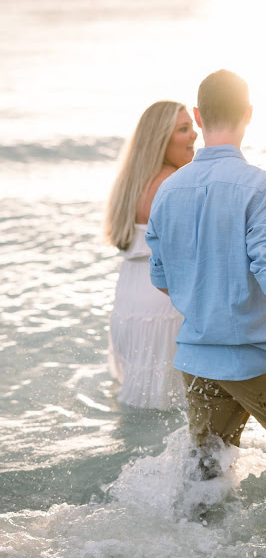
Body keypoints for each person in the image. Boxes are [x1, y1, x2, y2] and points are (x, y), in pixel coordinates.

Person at [146, 70, 266, 495]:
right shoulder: (259, 187)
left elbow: (162, 279)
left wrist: (205, 309)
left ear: (198, 116)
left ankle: (194, 552)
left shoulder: (169, 190)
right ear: (249, 114)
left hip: (196, 358)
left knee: (208, 465)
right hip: (254, 357)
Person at [104, 101, 197, 409]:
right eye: (183, 129)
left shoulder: (129, 185)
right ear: (160, 139)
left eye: (191, 126)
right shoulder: (172, 184)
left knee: (139, 401)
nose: (194, 134)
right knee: (172, 409)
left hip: (128, 301)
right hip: (162, 302)